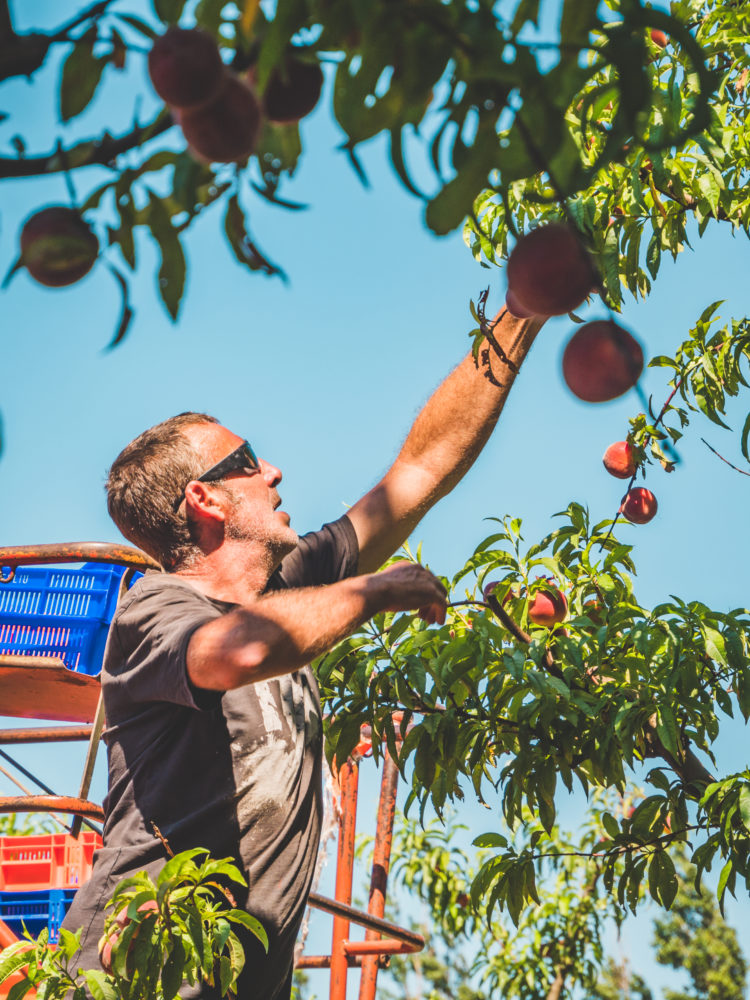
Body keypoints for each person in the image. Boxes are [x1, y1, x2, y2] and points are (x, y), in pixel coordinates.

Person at [61, 308, 543, 999]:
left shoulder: (287, 586)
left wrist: (523, 313)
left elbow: (420, 470)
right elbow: (233, 654)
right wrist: (373, 590)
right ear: (206, 499)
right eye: (249, 463)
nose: (276, 472)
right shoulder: (155, 609)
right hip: (135, 980)